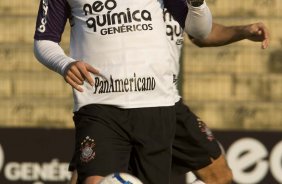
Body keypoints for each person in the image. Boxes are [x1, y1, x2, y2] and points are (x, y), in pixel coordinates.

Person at [68, 1, 270, 184]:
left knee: (220, 175)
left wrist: (243, 31)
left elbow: (201, 34)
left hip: (166, 103)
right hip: (115, 102)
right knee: (93, 175)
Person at [33, 0, 213, 184]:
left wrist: (197, 4)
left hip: (155, 103)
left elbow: (199, 31)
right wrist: (65, 64)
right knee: (95, 181)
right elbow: (44, 41)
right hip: (98, 103)